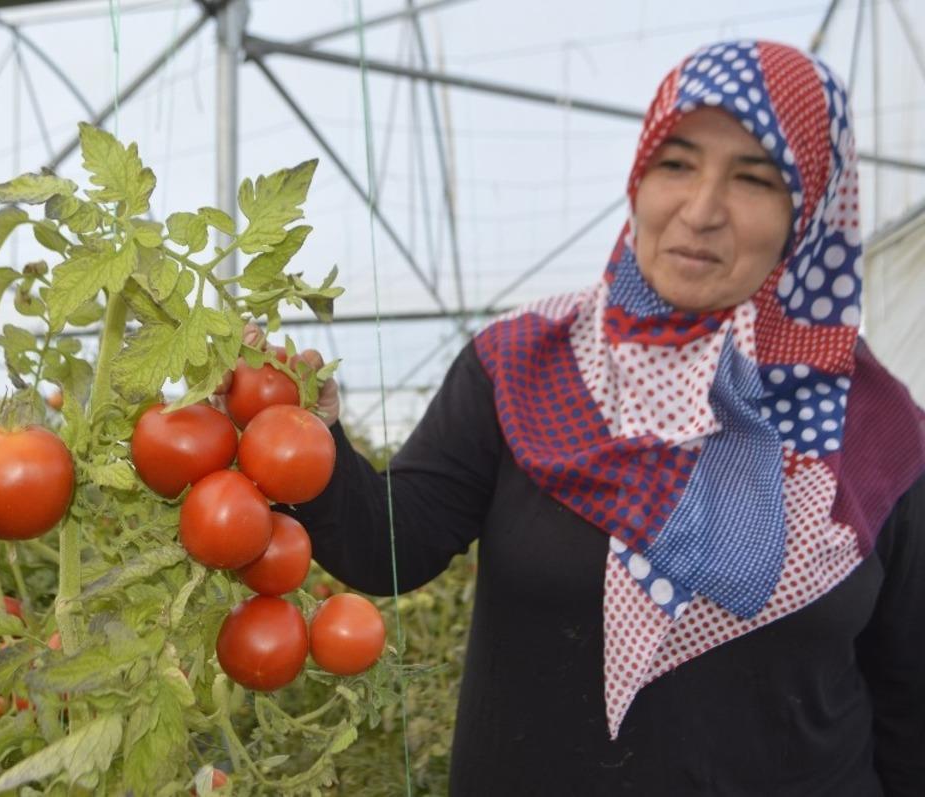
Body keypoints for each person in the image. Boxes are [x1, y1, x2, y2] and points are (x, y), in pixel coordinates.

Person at [243, 40, 925, 795]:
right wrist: (312, 435)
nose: (700, 211)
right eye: (676, 163)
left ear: (811, 210)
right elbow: (390, 547)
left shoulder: (879, 434)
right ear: (638, 178)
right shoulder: (523, 366)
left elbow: (910, 700)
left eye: (754, 179)